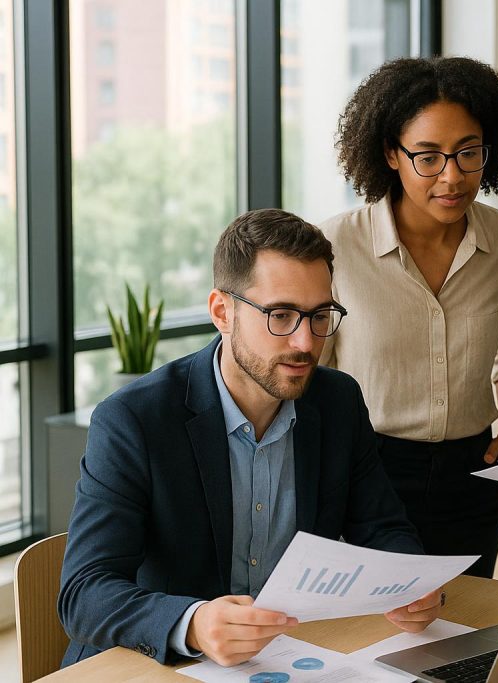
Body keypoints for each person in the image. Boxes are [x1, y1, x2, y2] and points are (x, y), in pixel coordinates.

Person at [58, 209, 442, 668]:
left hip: (289, 659)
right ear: (223, 312)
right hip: (159, 665)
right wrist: (193, 622)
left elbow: (381, 527)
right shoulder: (133, 420)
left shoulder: (338, 402)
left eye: (320, 315)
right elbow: (85, 593)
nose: (305, 342)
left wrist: (410, 580)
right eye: (280, 315)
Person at [319, 57, 498, 578]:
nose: (453, 176)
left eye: (468, 153)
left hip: (474, 469)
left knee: (467, 624)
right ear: (392, 154)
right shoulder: (335, 245)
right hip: (369, 469)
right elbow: (313, 374)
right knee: (375, 627)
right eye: (428, 157)